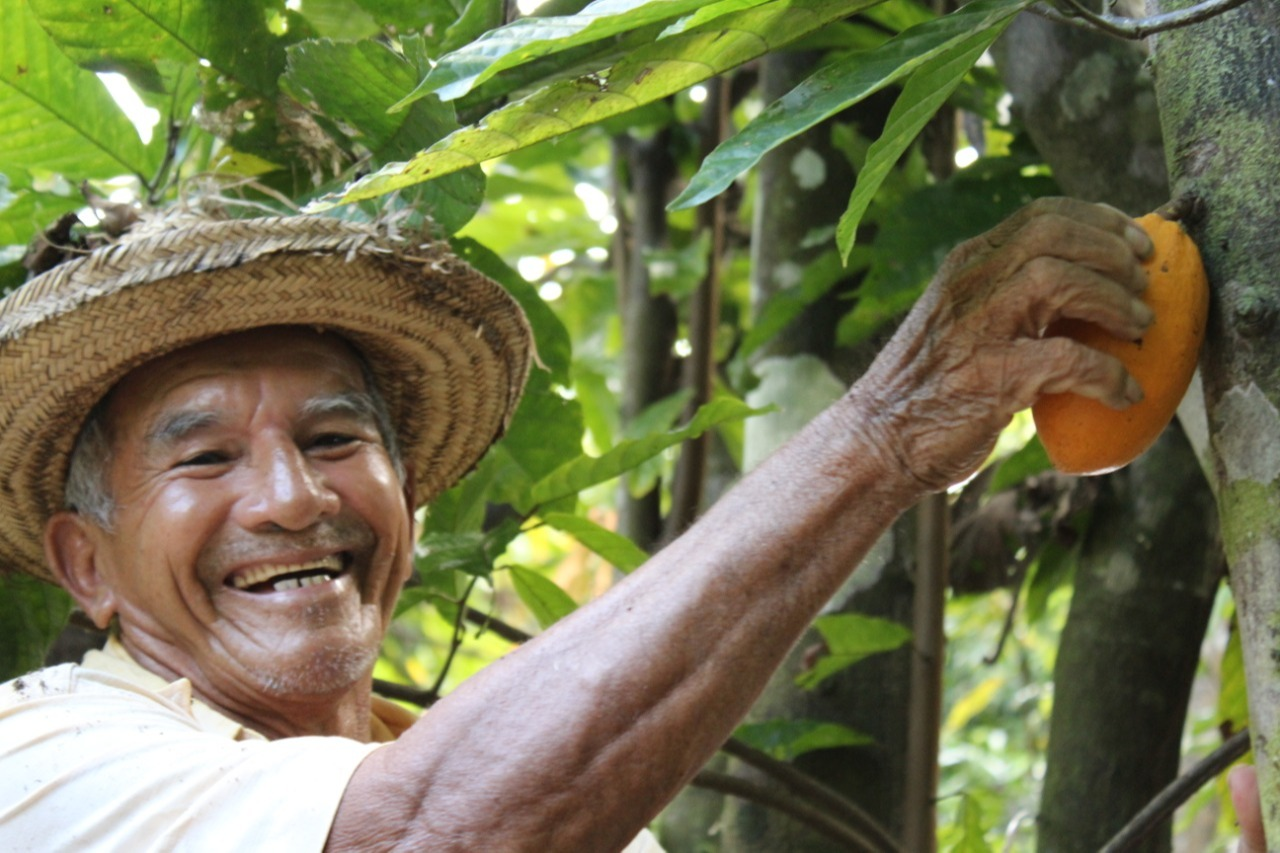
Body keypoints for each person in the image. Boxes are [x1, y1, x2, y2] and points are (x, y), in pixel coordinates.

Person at [0, 198, 1158, 851]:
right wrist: (881, 434)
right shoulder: (37, 755)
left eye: (336, 440)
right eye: (204, 457)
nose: (294, 498)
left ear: (410, 496)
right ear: (83, 564)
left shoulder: (559, 801)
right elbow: (430, 835)